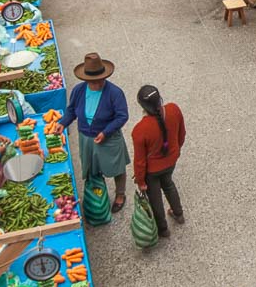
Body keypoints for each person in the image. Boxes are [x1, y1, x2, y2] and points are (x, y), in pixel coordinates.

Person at [50, 54, 132, 213]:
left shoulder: (114, 93)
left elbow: (122, 116)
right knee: (91, 167)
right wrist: (63, 123)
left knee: (116, 166)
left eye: (99, 80)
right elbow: (72, 110)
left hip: (108, 137)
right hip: (86, 138)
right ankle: (96, 194)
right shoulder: (79, 90)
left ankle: (120, 195)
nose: (96, 84)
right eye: (92, 81)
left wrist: (106, 131)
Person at [132, 85, 186, 238]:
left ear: (142, 106)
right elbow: (181, 134)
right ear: (160, 98)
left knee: (155, 197)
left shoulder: (140, 130)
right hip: (171, 160)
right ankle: (178, 214)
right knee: (168, 184)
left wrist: (141, 181)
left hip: (152, 170)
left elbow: (140, 161)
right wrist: (176, 150)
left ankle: (163, 229)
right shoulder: (174, 110)